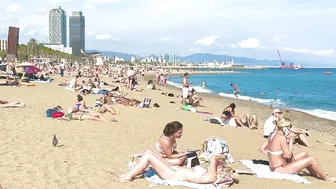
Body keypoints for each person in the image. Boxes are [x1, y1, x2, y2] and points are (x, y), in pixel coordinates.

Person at [261, 116, 336, 182]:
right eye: (289, 127)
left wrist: (273, 157)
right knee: (312, 159)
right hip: (280, 168)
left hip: (276, 165)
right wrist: (290, 140)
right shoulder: (282, 138)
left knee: (304, 154)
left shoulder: (273, 134)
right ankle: (327, 178)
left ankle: (315, 173)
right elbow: (288, 156)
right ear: (284, 128)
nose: (290, 129)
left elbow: (262, 148)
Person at [119, 150, 230, 183]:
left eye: (220, 165)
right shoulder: (208, 173)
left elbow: (214, 157)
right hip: (174, 170)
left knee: (148, 155)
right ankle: (129, 173)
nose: (218, 164)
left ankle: (129, 177)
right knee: (149, 152)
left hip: (172, 175)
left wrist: (224, 157)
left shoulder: (212, 177)